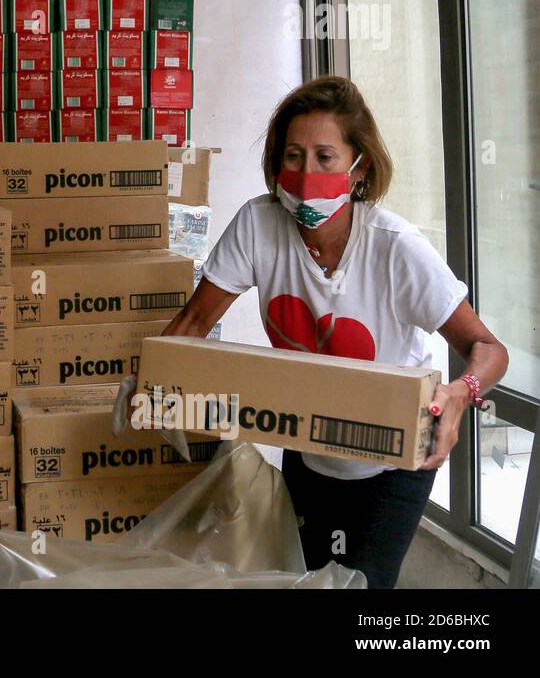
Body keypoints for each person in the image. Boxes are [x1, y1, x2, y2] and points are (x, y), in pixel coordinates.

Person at [160, 76, 508, 588]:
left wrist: (461, 393)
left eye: (325, 157)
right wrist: (151, 380)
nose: (306, 174)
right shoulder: (259, 226)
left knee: (363, 585)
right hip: (310, 442)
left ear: (358, 166)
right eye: (294, 156)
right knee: (308, 578)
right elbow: (195, 321)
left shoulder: (395, 248)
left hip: (396, 459)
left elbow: (487, 347)